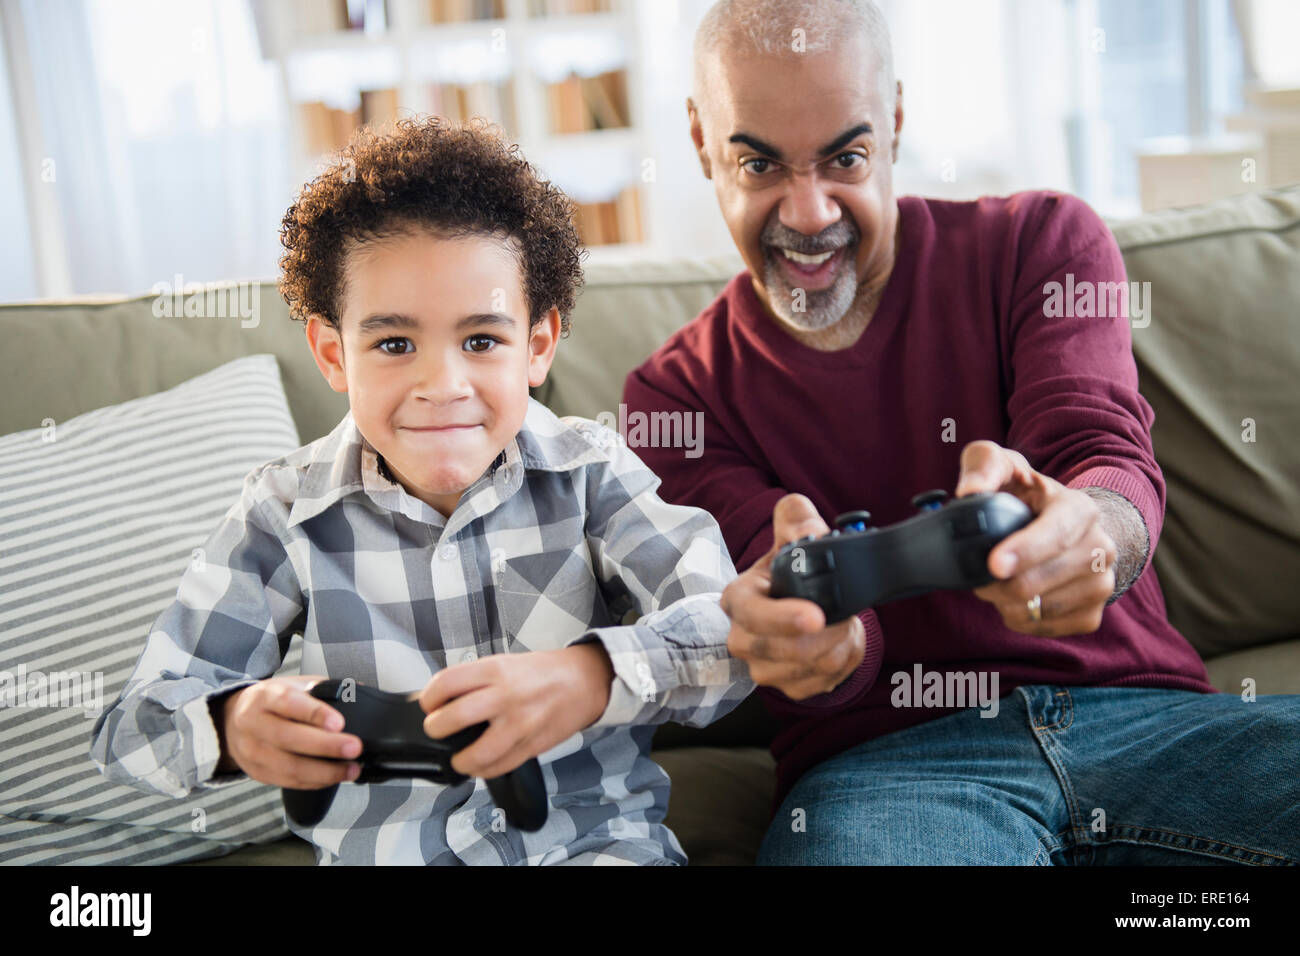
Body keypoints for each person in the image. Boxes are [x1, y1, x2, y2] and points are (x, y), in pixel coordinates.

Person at [622, 0, 1300, 865]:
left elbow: (1104, 455)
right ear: (699, 141)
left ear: (896, 121)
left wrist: (1093, 534)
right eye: (759, 163)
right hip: (891, 770)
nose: (807, 212)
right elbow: (789, 607)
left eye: (847, 156)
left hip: (1151, 722)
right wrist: (823, 644)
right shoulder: (668, 398)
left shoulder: (1042, 242)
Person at [90, 117, 753, 865]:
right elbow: (133, 727)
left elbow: (734, 636)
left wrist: (594, 675)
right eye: (395, 344)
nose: (442, 386)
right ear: (333, 353)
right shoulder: (282, 515)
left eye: (481, 340)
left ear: (537, 345)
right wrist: (234, 726)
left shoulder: (591, 473)